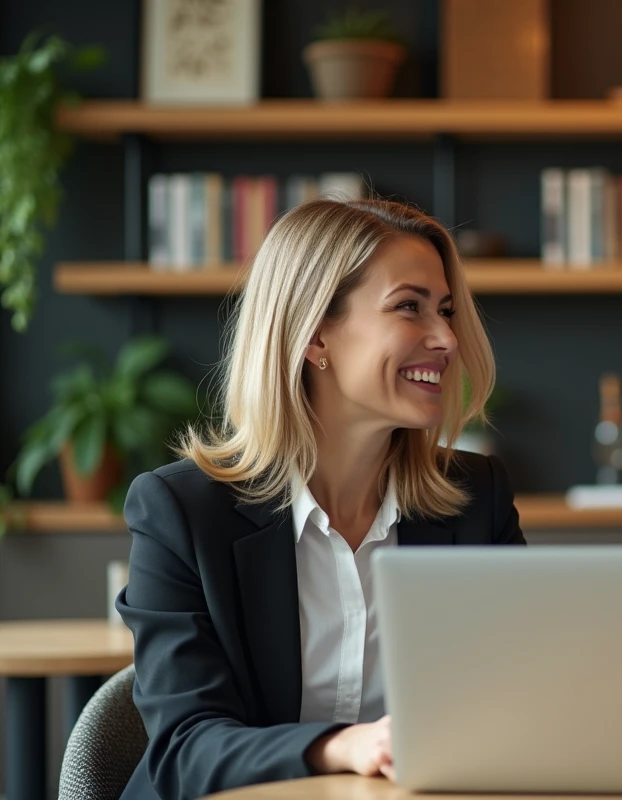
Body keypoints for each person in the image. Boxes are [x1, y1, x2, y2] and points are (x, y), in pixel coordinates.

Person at [116, 199, 524, 800]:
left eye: (446, 311)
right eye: (409, 307)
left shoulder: (476, 498)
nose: (445, 338)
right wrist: (344, 745)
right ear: (313, 336)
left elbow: (521, 702)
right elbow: (185, 748)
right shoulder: (180, 512)